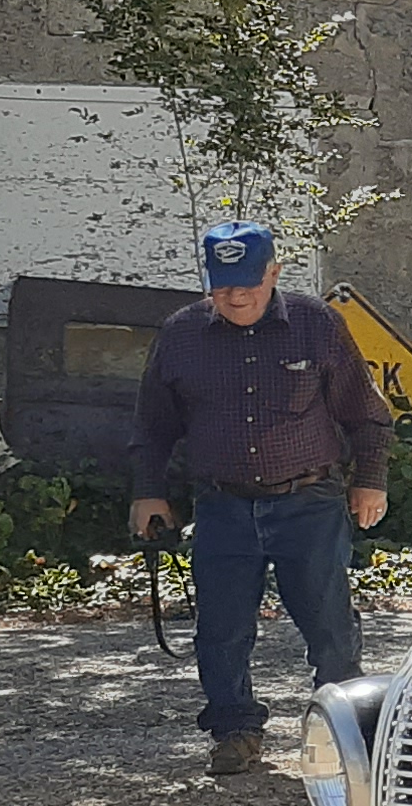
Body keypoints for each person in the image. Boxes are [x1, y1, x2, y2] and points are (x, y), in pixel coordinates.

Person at [129, 222, 393, 776]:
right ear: (208, 282)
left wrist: (370, 479)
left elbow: (364, 413)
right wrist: (149, 493)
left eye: (250, 281)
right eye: (224, 286)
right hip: (223, 506)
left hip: (310, 502)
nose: (238, 295)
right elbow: (152, 426)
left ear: (274, 271)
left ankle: (343, 737)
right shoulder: (180, 335)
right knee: (221, 628)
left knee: (329, 625)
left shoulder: (316, 326)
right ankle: (234, 730)